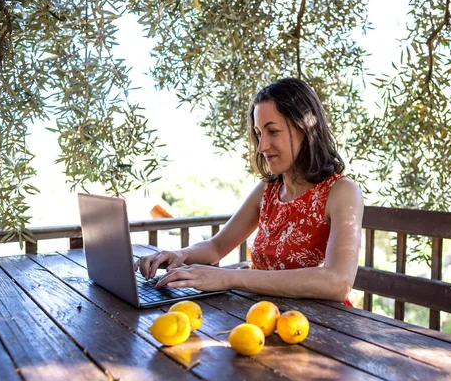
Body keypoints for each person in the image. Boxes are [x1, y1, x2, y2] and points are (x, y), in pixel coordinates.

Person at [134, 78, 364, 303]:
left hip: (322, 325)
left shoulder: (341, 191)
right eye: (259, 133)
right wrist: (180, 254)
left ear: (306, 129)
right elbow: (216, 246)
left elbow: (338, 282)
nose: (262, 146)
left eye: (273, 131)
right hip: (262, 316)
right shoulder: (268, 190)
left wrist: (229, 277)